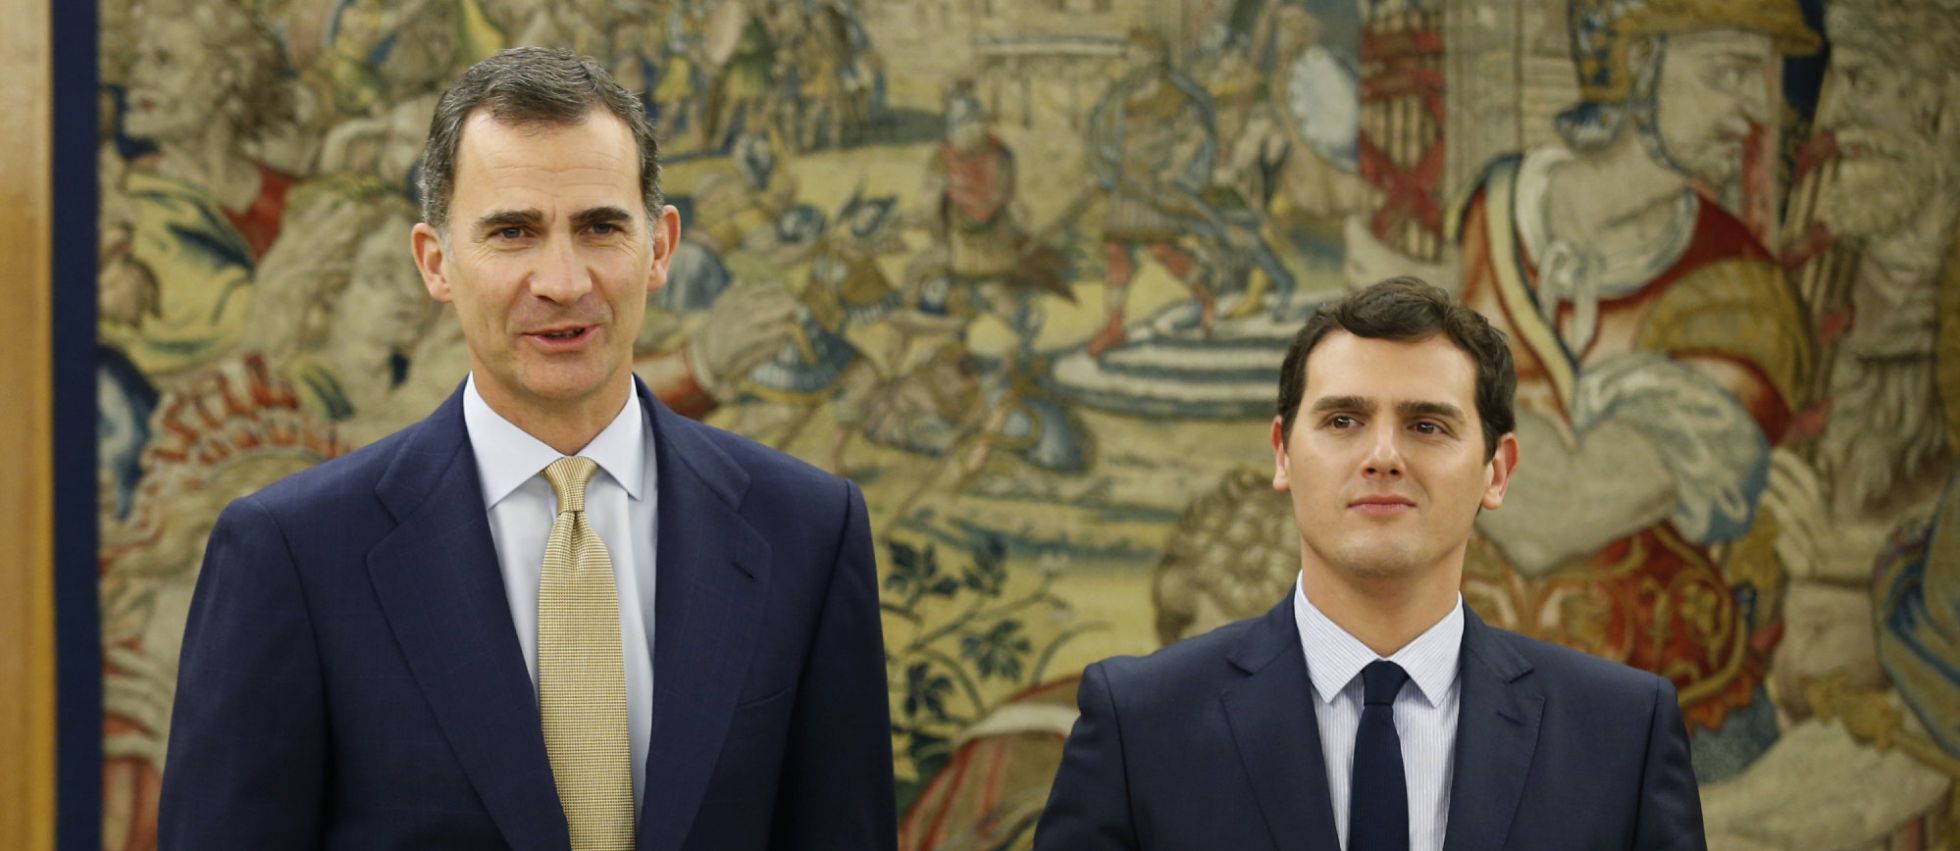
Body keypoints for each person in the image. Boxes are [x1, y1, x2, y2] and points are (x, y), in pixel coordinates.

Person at [159, 47, 896, 851]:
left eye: (600, 227)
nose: (562, 279)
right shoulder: (294, 554)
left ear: (660, 248)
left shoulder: (807, 531)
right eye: (513, 232)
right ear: (436, 263)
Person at [1035, 278, 1705, 850]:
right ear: (1282, 453)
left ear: (1496, 471)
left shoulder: (1622, 733)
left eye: (1426, 425)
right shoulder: (1139, 724)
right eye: (1344, 420)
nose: (1382, 455)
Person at [1450, 0, 1818, 777]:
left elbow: (1550, 518)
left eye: (1763, 77)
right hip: (1464, 714)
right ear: (1637, 62)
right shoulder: (1496, 211)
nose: (1756, 108)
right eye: (1729, 72)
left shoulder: (1745, 297)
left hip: (1665, 728)